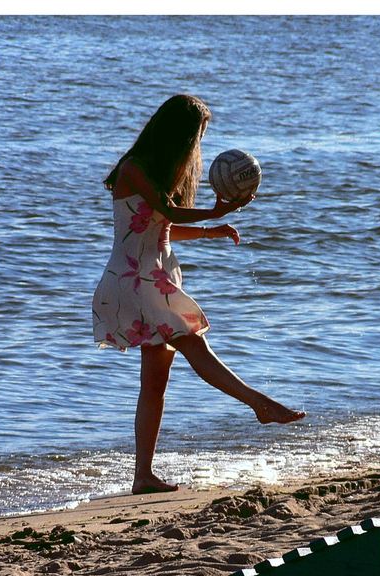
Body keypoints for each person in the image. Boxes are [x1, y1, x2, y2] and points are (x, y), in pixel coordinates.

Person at [92, 94, 306, 494]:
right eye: (198, 135)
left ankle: (143, 477)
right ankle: (260, 404)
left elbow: (162, 226)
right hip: (136, 279)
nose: (199, 145)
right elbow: (169, 214)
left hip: (152, 277)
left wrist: (211, 231)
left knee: (155, 383)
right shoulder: (134, 169)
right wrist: (215, 213)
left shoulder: (156, 174)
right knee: (194, 345)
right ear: (180, 134)